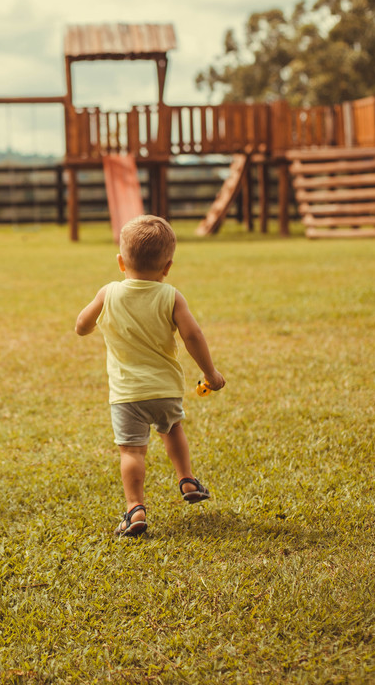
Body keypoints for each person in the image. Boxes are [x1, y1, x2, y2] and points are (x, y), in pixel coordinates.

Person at [75, 215, 226, 538]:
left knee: (131, 451)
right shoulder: (171, 295)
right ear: (167, 266)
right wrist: (209, 372)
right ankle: (186, 478)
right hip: (165, 389)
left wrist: (90, 324)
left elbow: (81, 325)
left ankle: (135, 508)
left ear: (120, 262)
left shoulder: (108, 293)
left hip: (127, 395)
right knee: (172, 429)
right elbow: (193, 336)